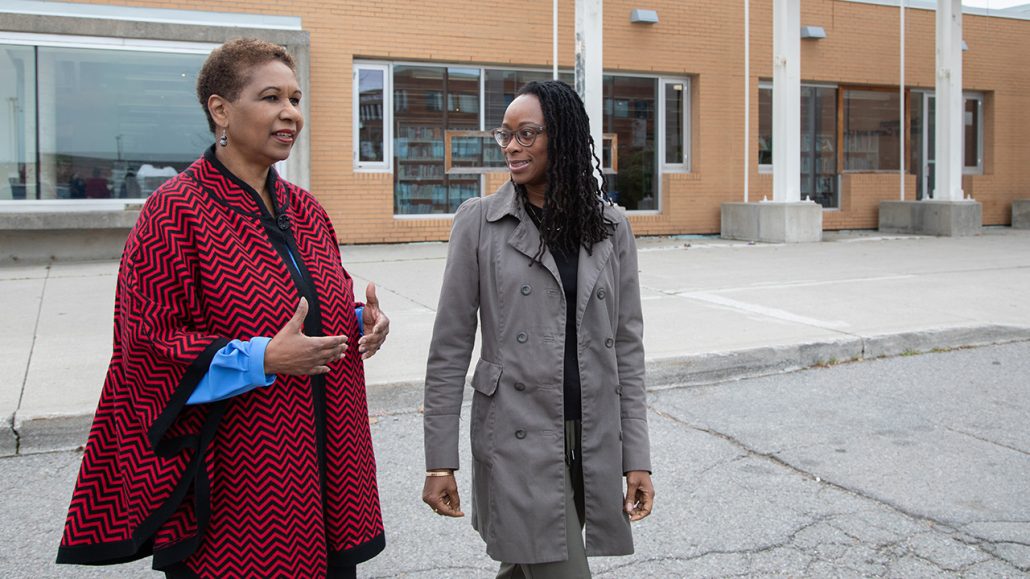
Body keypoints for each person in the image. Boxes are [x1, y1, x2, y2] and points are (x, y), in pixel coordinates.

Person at [57, 38, 388, 578]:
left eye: (296, 98)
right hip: (240, 480)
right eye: (271, 97)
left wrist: (359, 319)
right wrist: (261, 359)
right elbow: (146, 344)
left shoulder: (306, 210)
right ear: (220, 109)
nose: (290, 113)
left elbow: (308, 302)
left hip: (326, 470)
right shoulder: (175, 211)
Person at [422, 80, 654, 578]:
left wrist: (637, 457)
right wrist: (440, 460)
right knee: (557, 567)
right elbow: (449, 348)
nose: (511, 147)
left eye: (526, 134)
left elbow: (627, 349)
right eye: (504, 135)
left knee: (526, 564)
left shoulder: (611, 227)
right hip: (515, 437)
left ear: (564, 138)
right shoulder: (480, 223)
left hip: (590, 435)